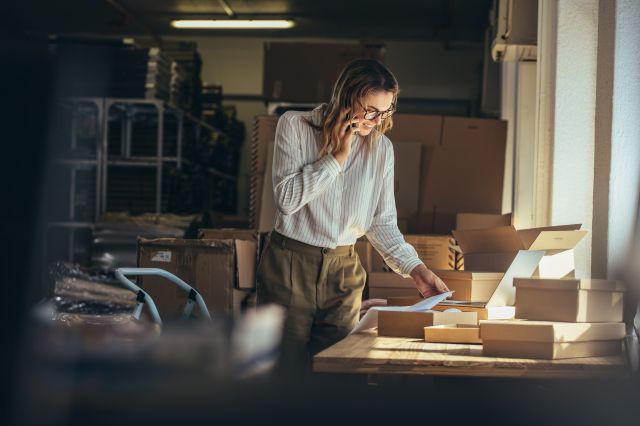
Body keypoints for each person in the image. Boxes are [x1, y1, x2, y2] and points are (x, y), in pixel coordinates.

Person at [257, 58, 449, 371]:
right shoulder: (295, 125)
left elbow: (381, 223)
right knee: (284, 373)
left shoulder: (382, 149)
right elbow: (287, 200)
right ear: (346, 97)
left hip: (344, 270)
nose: (376, 119)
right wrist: (336, 158)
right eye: (370, 110)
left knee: (339, 372)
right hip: (289, 265)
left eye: (385, 111)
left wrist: (416, 269)